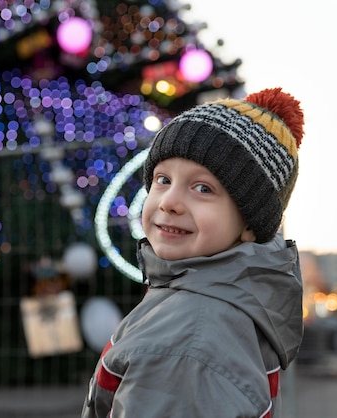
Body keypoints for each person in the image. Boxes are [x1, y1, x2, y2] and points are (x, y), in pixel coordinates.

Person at [82, 88, 305, 418]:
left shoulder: (188, 341)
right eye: (162, 179)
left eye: (203, 188)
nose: (169, 202)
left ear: (249, 222)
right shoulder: (198, 298)